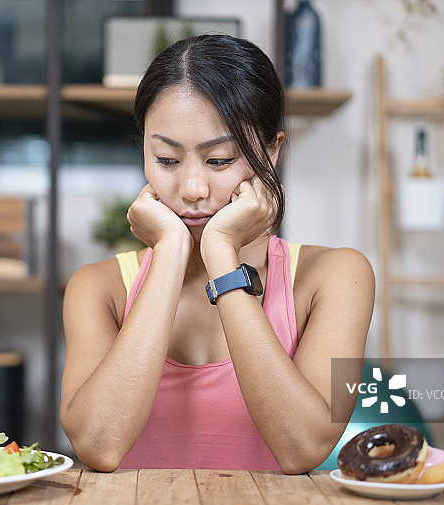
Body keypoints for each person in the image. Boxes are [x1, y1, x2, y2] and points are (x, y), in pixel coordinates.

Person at [60, 34, 374, 473]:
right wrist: (169, 253)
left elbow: (303, 447)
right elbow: (99, 444)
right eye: (167, 159)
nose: (192, 189)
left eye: (219, 160)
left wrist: (222, 255)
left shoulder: (337, 276)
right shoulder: (97, 287)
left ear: (272, 150)